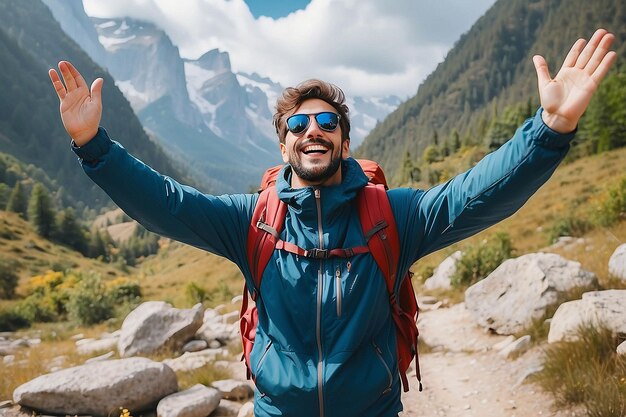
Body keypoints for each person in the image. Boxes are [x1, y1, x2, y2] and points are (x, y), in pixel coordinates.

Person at [49, 29, 616, 417]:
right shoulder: (253, 223)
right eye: (298, 123)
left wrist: (550, 129)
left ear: (344, 138)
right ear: (283, 141)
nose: (311, 130)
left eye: (326, 121)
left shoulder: (392, 215)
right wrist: (92, 145)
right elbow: (165, 203)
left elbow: (479, 192)